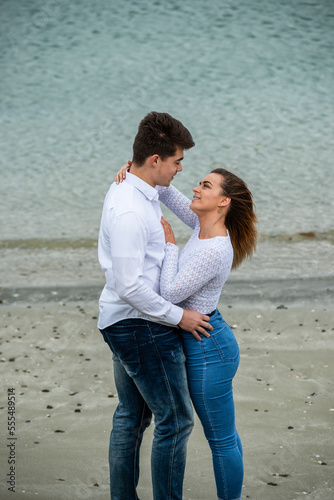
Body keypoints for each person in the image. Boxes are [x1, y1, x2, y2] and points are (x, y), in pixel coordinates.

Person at [116, 163, 257, 500]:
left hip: (209, 349)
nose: (196, 188)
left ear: (223, 202)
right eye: (199, 183)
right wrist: (134, 169)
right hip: (200, 339)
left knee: (220, 440)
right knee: (225, 434)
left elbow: (168, 294)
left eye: (206, 186)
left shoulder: (215, 248)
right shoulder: (200, 224)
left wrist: (168, 245)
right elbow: (164, 189)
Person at [98, 111, 213, 500]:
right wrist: (179, 316)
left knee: (132, 418)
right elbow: (130, 285)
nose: (182, 169)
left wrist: (128, 170)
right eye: (178, 161)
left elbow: (166, 195)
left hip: (124, 319)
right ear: (155, 160)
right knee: (176, 421)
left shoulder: (138, 189)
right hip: (139, 324)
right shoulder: (130, 209)